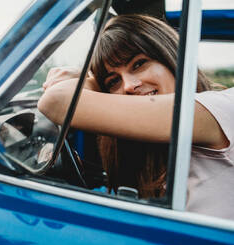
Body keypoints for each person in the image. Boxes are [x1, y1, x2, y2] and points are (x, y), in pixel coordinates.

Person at [38, 14, 234, 219]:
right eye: (114, 82)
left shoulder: (218, 107)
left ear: (172, 57)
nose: (129, 86)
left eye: (139, 64)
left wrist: (91, 79)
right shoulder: (149, 146)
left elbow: (55, 101)